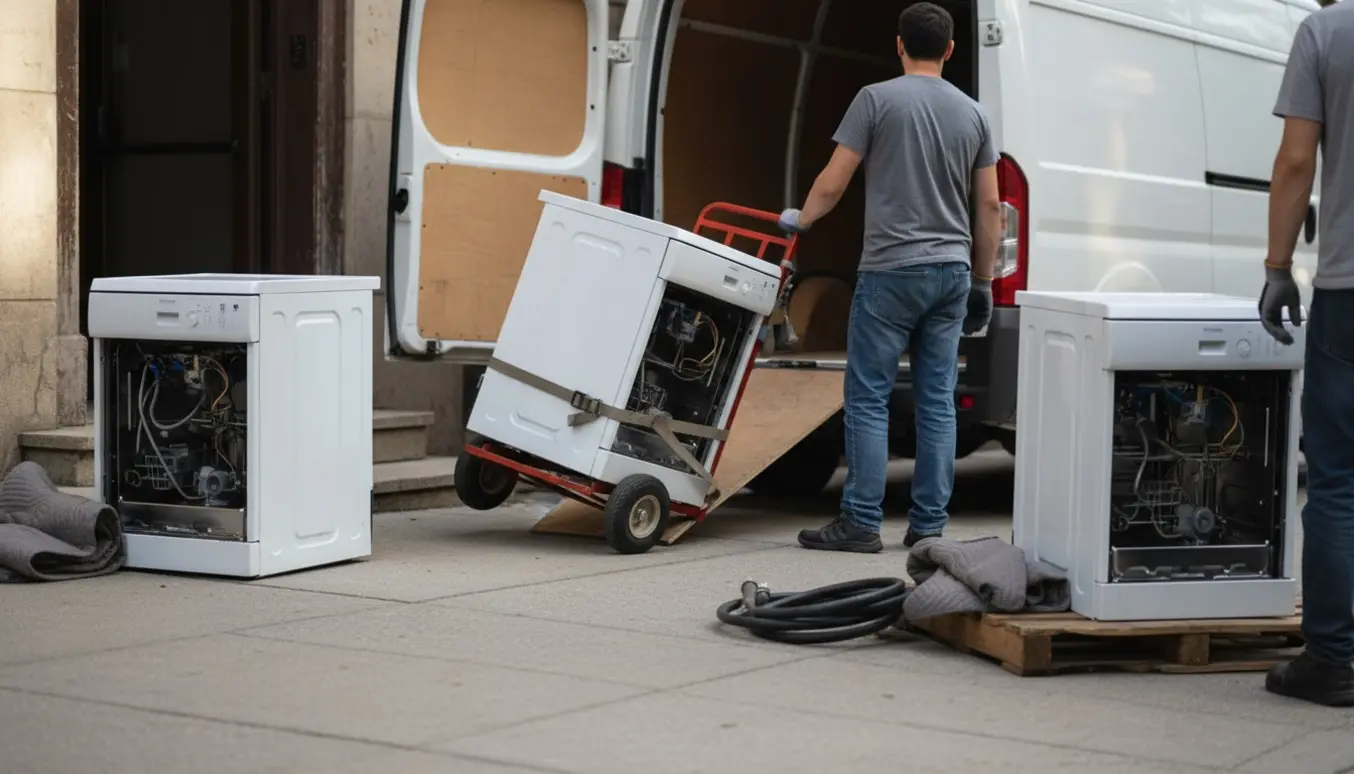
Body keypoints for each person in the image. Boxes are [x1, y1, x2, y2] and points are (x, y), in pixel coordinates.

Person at [778, 2, 1001, 554]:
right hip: (951, 274)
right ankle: (928, 527)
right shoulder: (974, 114)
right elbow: (990, 207)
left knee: (869, 398)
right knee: (937, 402)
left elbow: (833, 182)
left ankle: (860, 521)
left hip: (890, 273)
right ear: (950, 50)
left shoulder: (875, 99)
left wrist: (801, 219)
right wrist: (983, 280)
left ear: (899, 45)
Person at [1259, 0, 1354, 707]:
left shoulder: (1326, 31)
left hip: (1350, 294)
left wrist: (1276, 267)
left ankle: (1333, 659)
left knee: (1339, 482)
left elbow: (1297, 160)